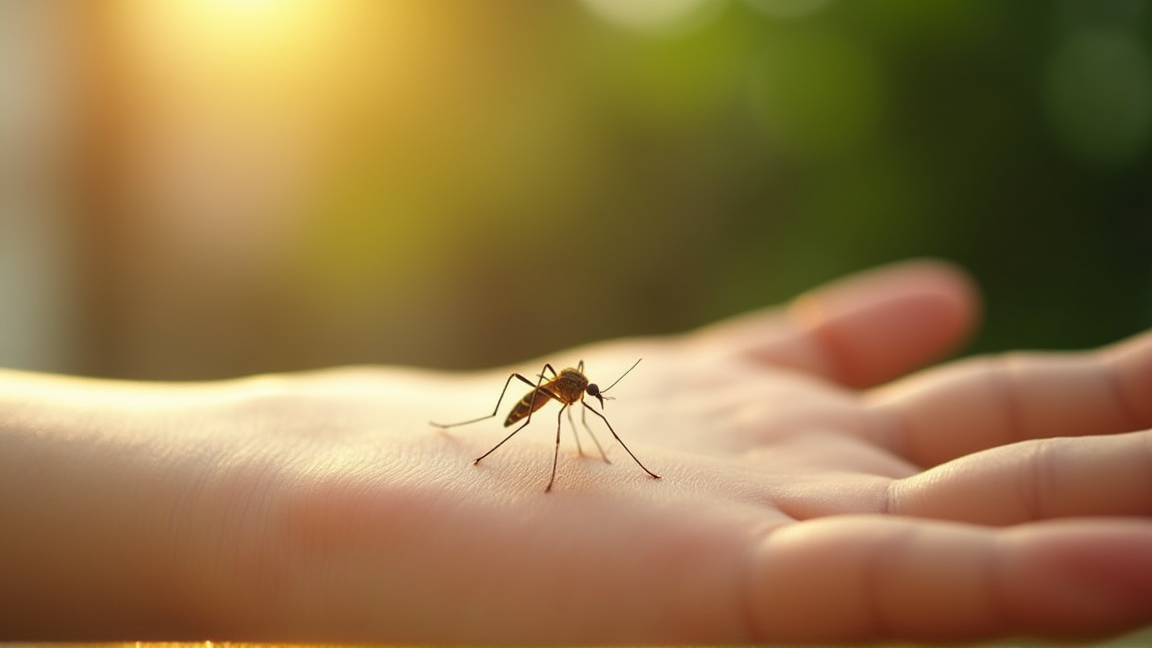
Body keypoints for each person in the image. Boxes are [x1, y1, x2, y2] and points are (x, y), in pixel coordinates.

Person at [1, 259, 1149, 643]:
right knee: (547, 430)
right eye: (579, 388)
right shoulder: (555, 394)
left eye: (579, 389)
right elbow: (568, 407)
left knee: (574, 429)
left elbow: (588, 402)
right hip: (488, 424)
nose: (581, 397)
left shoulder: (580, 384)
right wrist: (268, 477)